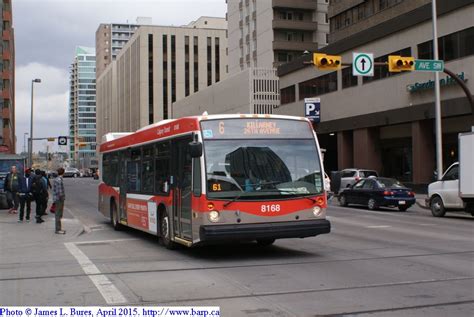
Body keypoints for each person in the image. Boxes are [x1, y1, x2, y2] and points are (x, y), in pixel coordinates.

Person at [53, 167, 66, 234]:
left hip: (57, 199)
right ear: (63, 172)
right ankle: (58, 229)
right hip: (59, 199)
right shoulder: (59, 180)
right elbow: (60, 192)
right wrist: (62, 198)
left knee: (59, 214)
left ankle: (59, 228)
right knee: (58, 214)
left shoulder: (58, 179)